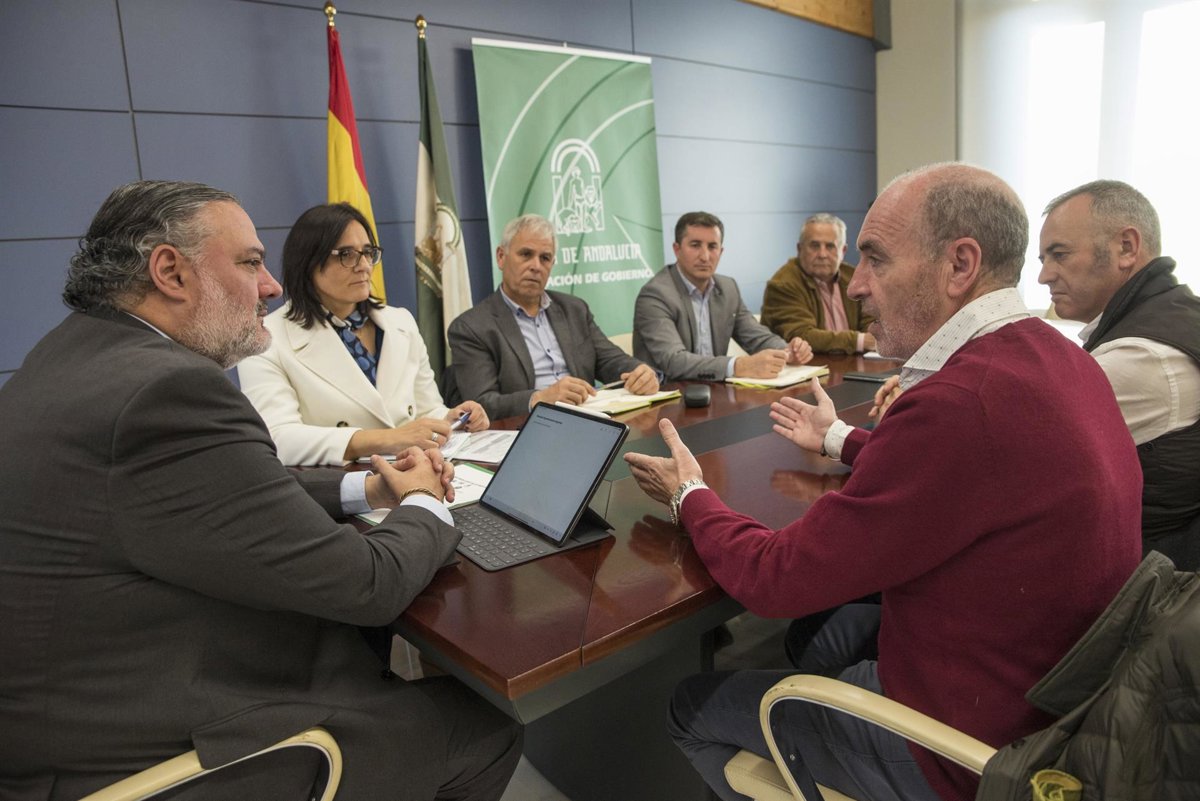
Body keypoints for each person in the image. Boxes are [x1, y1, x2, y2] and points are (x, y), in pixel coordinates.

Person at [624, 163, 1142, 801]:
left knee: (690, 707)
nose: (857, 282)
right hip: (1055, 711)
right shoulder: (1063, 357)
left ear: (960, 265)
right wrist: (840, 438)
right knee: (821, 643)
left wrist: (690, 495)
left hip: (961, 750)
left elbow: (775, 580)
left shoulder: (959, 401)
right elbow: (960, 477)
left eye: (874, 258)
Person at [0, 181, 521, 800]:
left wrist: (366, 489)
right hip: (150, 751)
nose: (270, 286)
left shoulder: (74, 353)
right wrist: (425, 501)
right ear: (170, 271)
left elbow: (235, 486)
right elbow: (368, 584)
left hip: (76, 705)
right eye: (250, 263)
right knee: (484, 728)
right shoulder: (165, 391)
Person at [237, 202, 488, 466]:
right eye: (346, 254)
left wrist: (451, 418)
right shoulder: (266, 339)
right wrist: (388, 439)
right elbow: (278, 438)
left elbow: (426, 408)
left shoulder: (400, 321)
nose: (364, 265)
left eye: (368, 253)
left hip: (418, 470)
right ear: (308, 262)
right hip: (339, 483)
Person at [1038, 180, 1200, 568]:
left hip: (1140, 586)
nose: (1044, 276)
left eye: (1059, 255)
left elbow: (1018, 457)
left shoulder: (1139, 355)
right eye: (1043, 259)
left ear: (1126, 248)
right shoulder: (1177, 312)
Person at [448, 213, 659, 420]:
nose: (536, 266)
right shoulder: (471, 327)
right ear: (501, 257)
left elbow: (610, 360)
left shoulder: (574, 309)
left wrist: (639, 372)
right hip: (525, 427)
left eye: (545, 258)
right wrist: (539, 399)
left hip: (586, 419)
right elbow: (482, 403)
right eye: (526, 254)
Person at [632, 211, 814, 380]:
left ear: (721, 251)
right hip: (670, 394)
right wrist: (739, 366)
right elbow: (674, 361)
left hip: (715, 391)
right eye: (695, 245)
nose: (705, 256)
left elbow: (756, 337)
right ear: (677, 249)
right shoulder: (656, 295)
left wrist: (788, 350)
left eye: (712, 247)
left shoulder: (727, 288)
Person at [760, 213, 876, 353]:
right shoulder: (783, 284)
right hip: (806, 364)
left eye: (830, 246)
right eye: (814, 246)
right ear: (800, 249)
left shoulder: (854, 278)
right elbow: (802, 336)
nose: (822, 254)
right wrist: (860, 341)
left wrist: (871, 338)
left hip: (856, 363)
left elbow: (872, 322)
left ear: (843, 251)